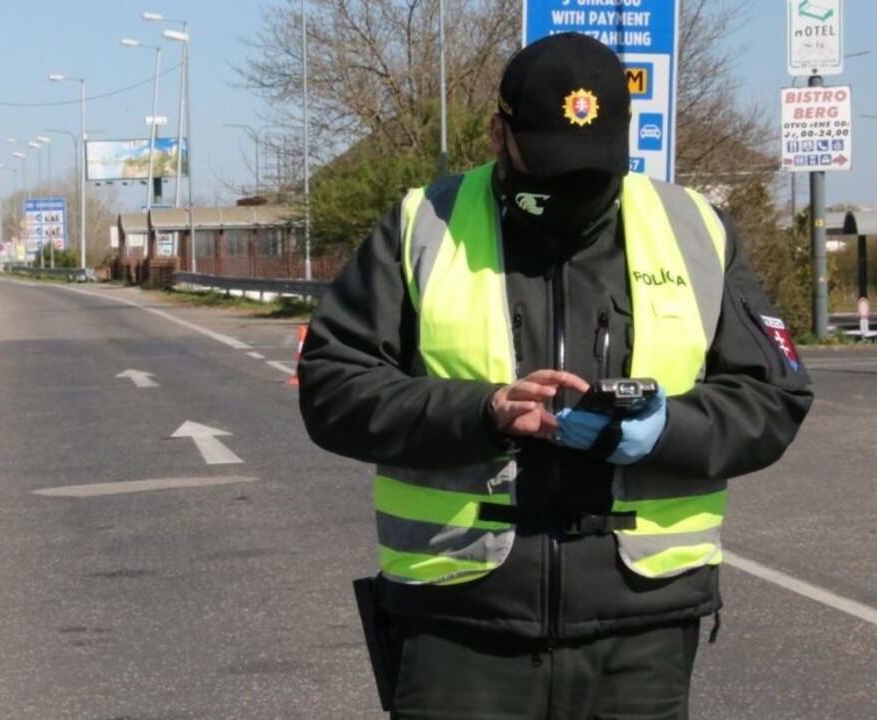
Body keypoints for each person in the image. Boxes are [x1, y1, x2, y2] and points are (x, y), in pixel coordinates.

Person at [297, 33, 813, 720]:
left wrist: (668, 429)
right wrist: (481, 414)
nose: (571, 186)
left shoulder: (696, 230)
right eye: (550, 165)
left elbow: (774, 394)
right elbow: (332, 384)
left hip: (641, 629)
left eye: (592, 167)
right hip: (462, 624)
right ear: (497, 134)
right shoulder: (423, 225)